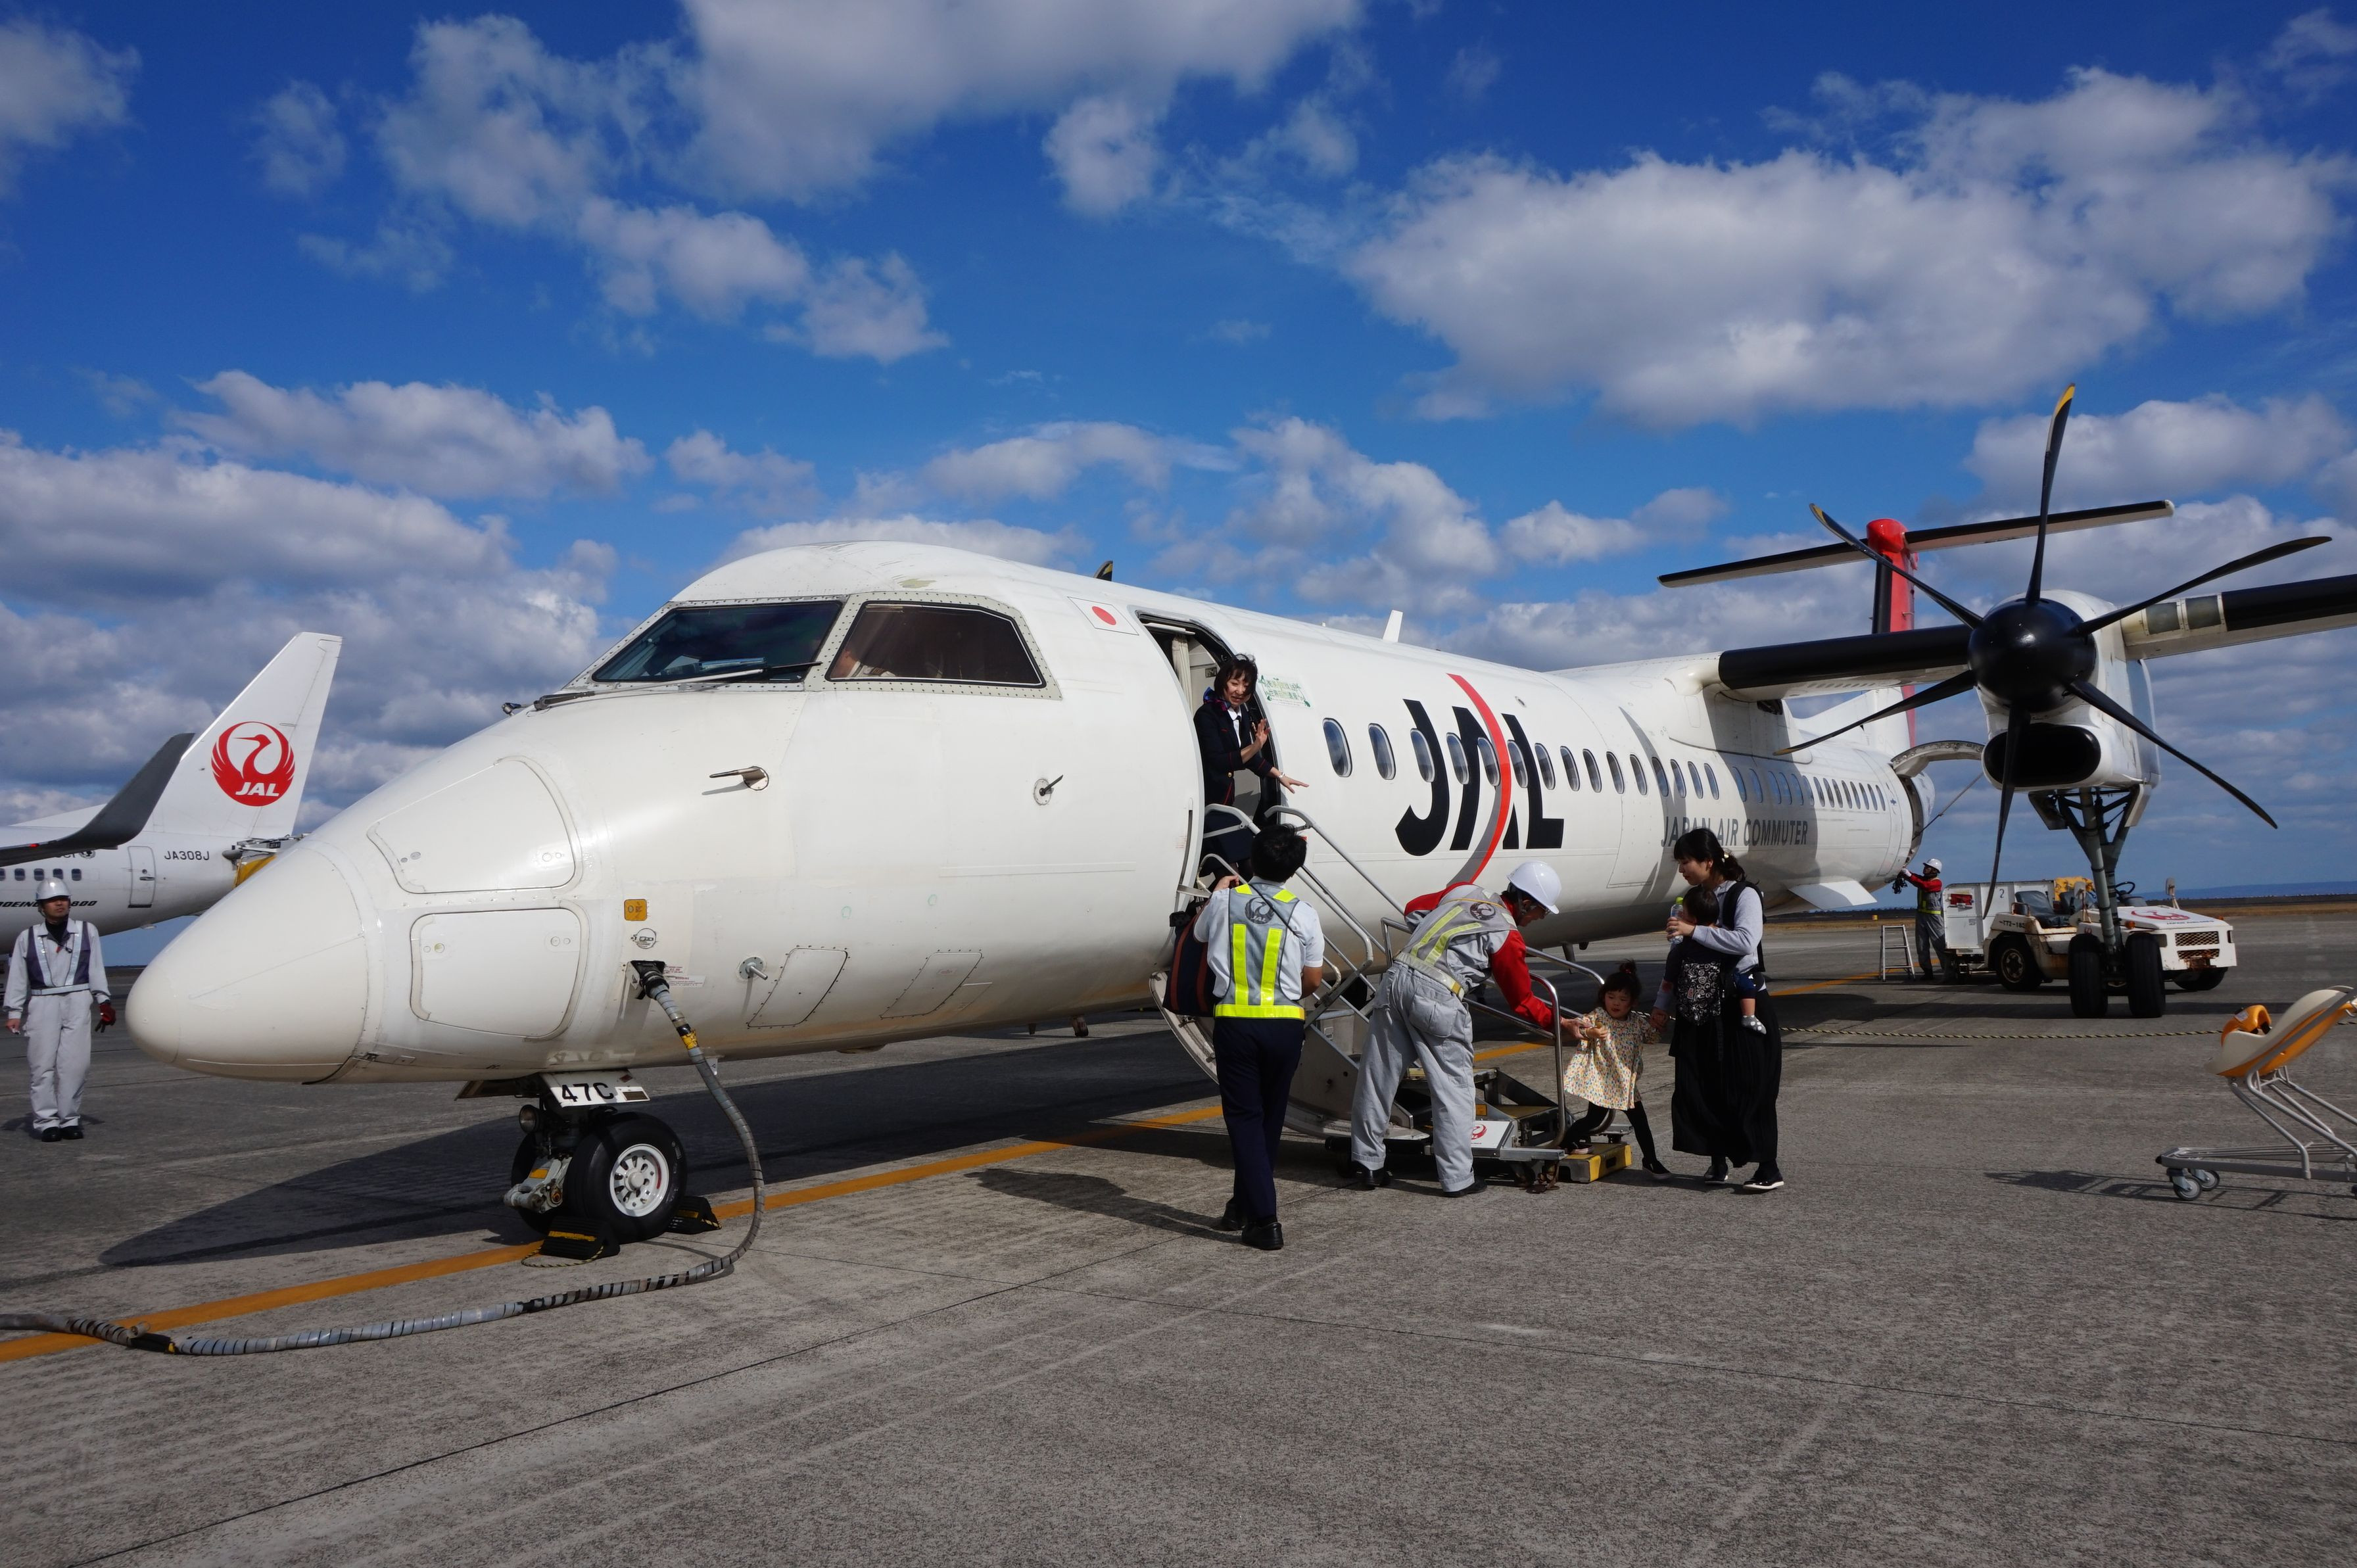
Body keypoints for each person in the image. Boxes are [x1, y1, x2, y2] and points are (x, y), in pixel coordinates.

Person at [1346, 858, 1563, 1197]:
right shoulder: (1507, 935)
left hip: (1396, 979)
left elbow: (1413, 910)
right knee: (1454, 1089)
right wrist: (1559, 1023)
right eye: (1542, 911)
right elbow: (1521, 1000)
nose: (1540, 917)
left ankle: (1367, 1163)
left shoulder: (1465, 892)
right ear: (1526, 902)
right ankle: (1457, 1177)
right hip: (1438, 995)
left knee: (1378, 1077)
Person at [1193, 823, 1324, 1252]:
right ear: (1293, 868)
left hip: (1237, 1022)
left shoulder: (1225, 901)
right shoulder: (1304, 912)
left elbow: (1198, 935)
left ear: (1252, 859)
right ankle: (1242, 1206)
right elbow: (1312, 979)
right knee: (1268, 1119)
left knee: (1244, 1118)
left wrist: (1219, 889)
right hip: (1285, 1025)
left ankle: (1265, 1220)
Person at [1649, 827, 1782, 1193]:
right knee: (1703, 1086)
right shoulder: (1689, 900)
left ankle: (1768, 1167)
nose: (1681, 870)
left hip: (1740, 1003)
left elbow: (1746, 941)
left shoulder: (1744, 894)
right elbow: (1676, 962)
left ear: (1708, 861)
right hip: (1701, 1009)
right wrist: (1662, 1006)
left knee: (1751, 1086)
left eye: (1685, 862)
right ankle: (1717, 1160)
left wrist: (1693, 931)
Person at [5, 878, 110, 1143]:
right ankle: (46, 1121)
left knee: (75, 1065)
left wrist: (103, 1000)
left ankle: (70, 1119)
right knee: (41, 1065)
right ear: (41, 907)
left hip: (78, 999)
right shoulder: (27, 937)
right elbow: (18, 976)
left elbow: (96, 967)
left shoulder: (87, 931)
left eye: (63, 899)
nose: (59, 904)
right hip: (43, 1003)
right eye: (53, 901)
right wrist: (14, 1012)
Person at [1193, 655, 1305, 878]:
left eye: (1246, 686)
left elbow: (1250, 757)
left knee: (1248, 864)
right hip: (1208, 803)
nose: (1240, 691)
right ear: (1223, 683)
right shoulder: (1207, 715)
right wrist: (1256, 746)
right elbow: (1219, 761)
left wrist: (1279, 775)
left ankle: (1244, 899)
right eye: (1235, 683)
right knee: (1231, 872)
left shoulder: (1242, 713)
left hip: (1225, 804)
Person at [1563, 964, 1668, 1177]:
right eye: (1611, 997)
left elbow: (1652, 1037)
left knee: (1641, 1123)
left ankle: (1650, 1160)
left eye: (1623, 999)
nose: (1616, 1003)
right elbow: (1580, 1026)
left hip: (1627, 1085)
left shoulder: (1636, 1022)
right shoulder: (1599, 1016)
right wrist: (1590, 1032)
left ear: (1633, 1002)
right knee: (1594, 1119)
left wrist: (1657, 1025)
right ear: (1603, 997)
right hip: (1604, 1083)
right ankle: (1566, 1141)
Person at [1893, 857, 1946, 980]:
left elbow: (1925, 886)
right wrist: (1906, 873)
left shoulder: (1937, 883)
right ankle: (1927, 972)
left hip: (1934, 918)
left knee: (1940, 945)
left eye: (1928, 867)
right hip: (1921, 916)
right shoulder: (1923, 880)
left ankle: (1949, 971)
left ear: (1934, 870)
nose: (1925, 869)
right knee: (1921, 946)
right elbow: (1917, 879)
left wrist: (1909, 875)